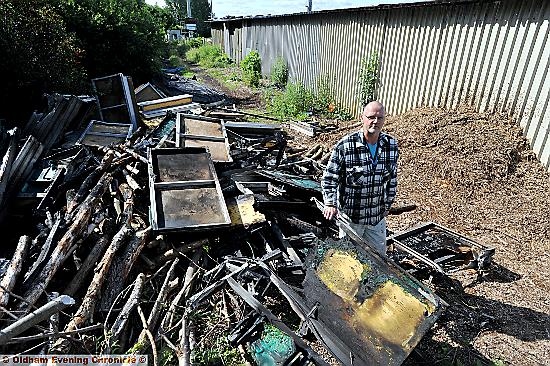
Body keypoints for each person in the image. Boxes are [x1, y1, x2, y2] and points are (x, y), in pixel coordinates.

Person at [321, 101, 398, 255]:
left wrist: (388, 204)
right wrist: (330, 203)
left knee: (377, 260)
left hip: (376, 218)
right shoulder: (346, 146)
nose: (375, 122)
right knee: (349, 262)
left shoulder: (391, 145)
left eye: (380, 118)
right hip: (351, 218)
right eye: (371, 117)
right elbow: (330, 178)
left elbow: (392, 179)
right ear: (362, 118)